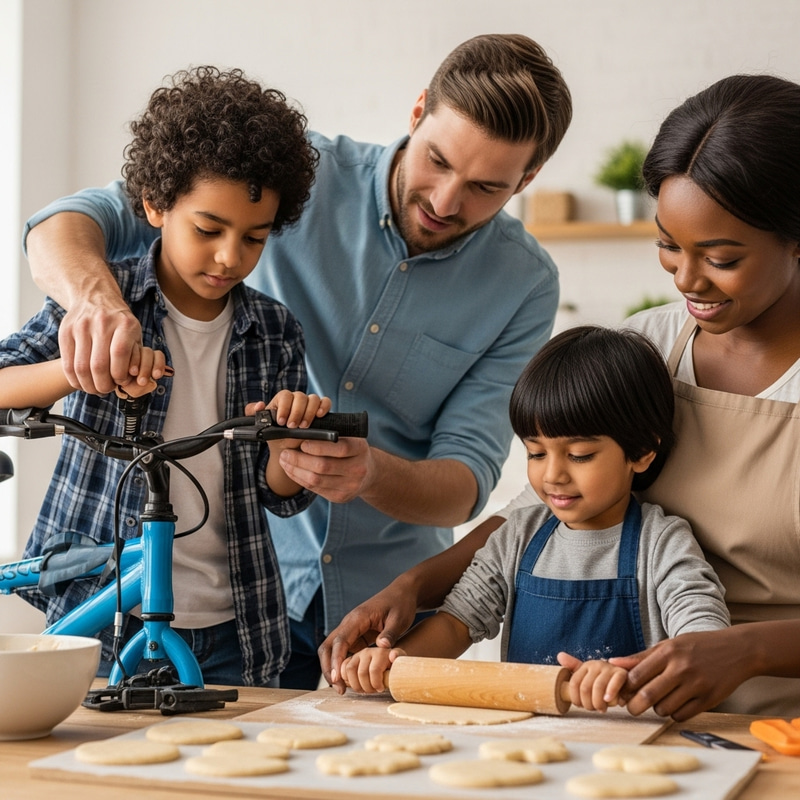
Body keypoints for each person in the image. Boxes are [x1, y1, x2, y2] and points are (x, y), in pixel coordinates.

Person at [22, 35, 574, 689]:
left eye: (487, 188)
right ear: (419, 109)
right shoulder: (287, 178)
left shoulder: (524, 282)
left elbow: (466, 479)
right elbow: (73, 220)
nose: (447, 201)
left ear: (529, 179)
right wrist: (95, 305)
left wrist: (369, 472)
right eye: (438, 161)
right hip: (248, 589)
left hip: (382, 612)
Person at [322, 73, 800, 718]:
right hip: (644, 719)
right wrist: (414, 586)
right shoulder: (645, 351)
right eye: (667, 245)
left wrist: (746, 651)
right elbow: (530, 517)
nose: (687, 279)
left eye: (720, 258)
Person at [0, 66, 327, 686]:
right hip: (104, 611)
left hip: (236, 623)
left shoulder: (275, 329)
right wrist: (83, 367)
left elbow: (280, 495)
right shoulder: (104, 300)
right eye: (209, 229)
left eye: (255, 238)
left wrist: (287, 441)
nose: (230, 256)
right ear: (155, 204)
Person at [340, 326, 730, 713]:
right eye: (536, 453)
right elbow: (456, 623)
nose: (552, 475)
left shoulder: (661, 544)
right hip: (527, 745)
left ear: (642, 452)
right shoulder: (518, 537)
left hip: (632, 743)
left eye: (578, 455)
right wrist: (393, 660)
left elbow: (704, 638)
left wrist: (629, 676)